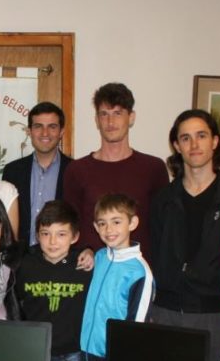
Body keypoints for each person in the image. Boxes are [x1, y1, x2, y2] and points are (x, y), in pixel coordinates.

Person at [148, 110, 220, 361]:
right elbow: (153, 253)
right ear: (177, 146)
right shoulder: (163, 199)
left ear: (214, 141)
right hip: (165, 310)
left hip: (213, 312)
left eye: (201, 136)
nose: (194, 144)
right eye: (186, 138)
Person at [62, 83, 168, 264]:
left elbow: (162, 228)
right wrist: (85, 250)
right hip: (93, 271)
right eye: (104, 114)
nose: (110, 122)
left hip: (139, 270)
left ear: (131, 117)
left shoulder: (153, 168)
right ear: (97, 120)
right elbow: (70, 226)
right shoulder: (77, 170)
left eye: (118, 113)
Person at [15, 201, 92, 361]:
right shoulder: (25, 263)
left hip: (71, 356)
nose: (52, 241)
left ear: (75, 237)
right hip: (33, 352)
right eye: (45, 234)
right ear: (37, 235)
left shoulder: (85, 265)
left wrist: (90, 251)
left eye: (61, 234)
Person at [79, 194, 153, 361]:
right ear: (96, 227)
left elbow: (137, 328)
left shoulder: (140, 272)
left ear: (133, 223)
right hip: (85, 358)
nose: (109, 229)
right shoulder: (99, 257)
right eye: (102, 223)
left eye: (116, 222)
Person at [2, 102, 73, 249]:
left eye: (52, 127)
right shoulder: (12, 171)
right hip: (21, 257)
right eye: (38, 126)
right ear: (29, 131)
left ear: (61, 132)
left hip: (61, 255)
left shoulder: (74, 170)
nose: (45, 133)